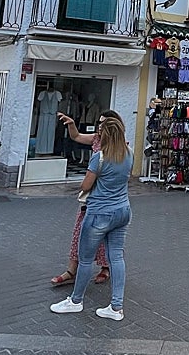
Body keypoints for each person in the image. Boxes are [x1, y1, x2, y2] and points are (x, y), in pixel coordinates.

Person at [51, 114, 132, 320]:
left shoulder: (100, 157)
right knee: (116, 257)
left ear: (105, 134)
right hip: (122, 210)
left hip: (99, 212)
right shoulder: (128, 153)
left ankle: (76, 301)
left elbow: (85, 185)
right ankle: (116, 307)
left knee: (85, 259)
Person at [50, 111, 110, 287]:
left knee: (104, 235)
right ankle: (71, 270)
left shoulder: (119, 146)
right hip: (90, 198)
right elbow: (76, 136)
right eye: (99, 122)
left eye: (104, 123)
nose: (100, 126)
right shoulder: (96, 139)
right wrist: (71, 123)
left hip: (104, 197)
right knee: (80, 231)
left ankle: (105, 267)